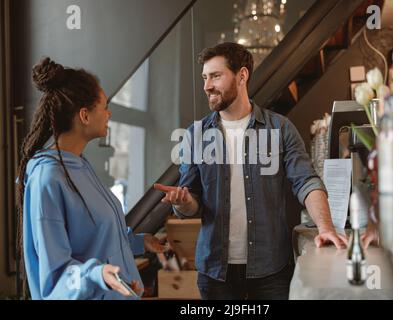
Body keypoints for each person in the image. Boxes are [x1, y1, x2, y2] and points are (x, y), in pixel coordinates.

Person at [154, 42, 347, 300]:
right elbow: (193, 204)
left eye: (215, 76)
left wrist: (325, 228)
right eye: (204, 77)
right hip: (215, 272)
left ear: (242, 76)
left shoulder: (280, 128)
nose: (207, 85)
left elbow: (306, 182)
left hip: (270, 270)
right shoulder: (195, 135)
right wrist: (183, 200)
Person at [17, 57, 166, 300]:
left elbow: (93, 239)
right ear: (84, 115)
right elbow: (53, 277)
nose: (109, 113)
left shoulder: (80, 165)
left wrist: (138, 242)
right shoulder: (48, 178)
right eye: (104, 106)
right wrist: (96, 275)